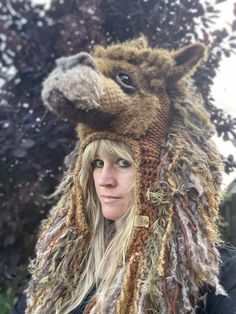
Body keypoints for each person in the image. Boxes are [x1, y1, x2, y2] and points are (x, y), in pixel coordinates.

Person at [13, 36, 236, 313]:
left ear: (165, 172)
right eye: (97, 163)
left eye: (123, 163)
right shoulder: (62, 262)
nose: (104, 180)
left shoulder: (214, 273)